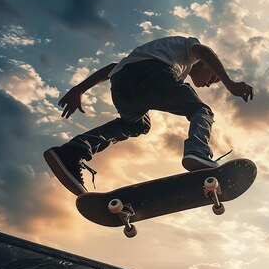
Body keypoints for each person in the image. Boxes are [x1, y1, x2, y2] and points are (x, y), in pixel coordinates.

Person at [44, 36, 253, 196]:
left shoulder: (165, 53)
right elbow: (204, 50)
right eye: (213, 77)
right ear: (206, 65)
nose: (210, 83)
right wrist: (229, 82)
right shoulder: (191, 51)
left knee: (136, 124)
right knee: (201, 110)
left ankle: (72, 151)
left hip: (122, 83)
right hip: (154, 72)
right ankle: (197, 152)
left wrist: (79, 89)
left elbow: (111, 68)